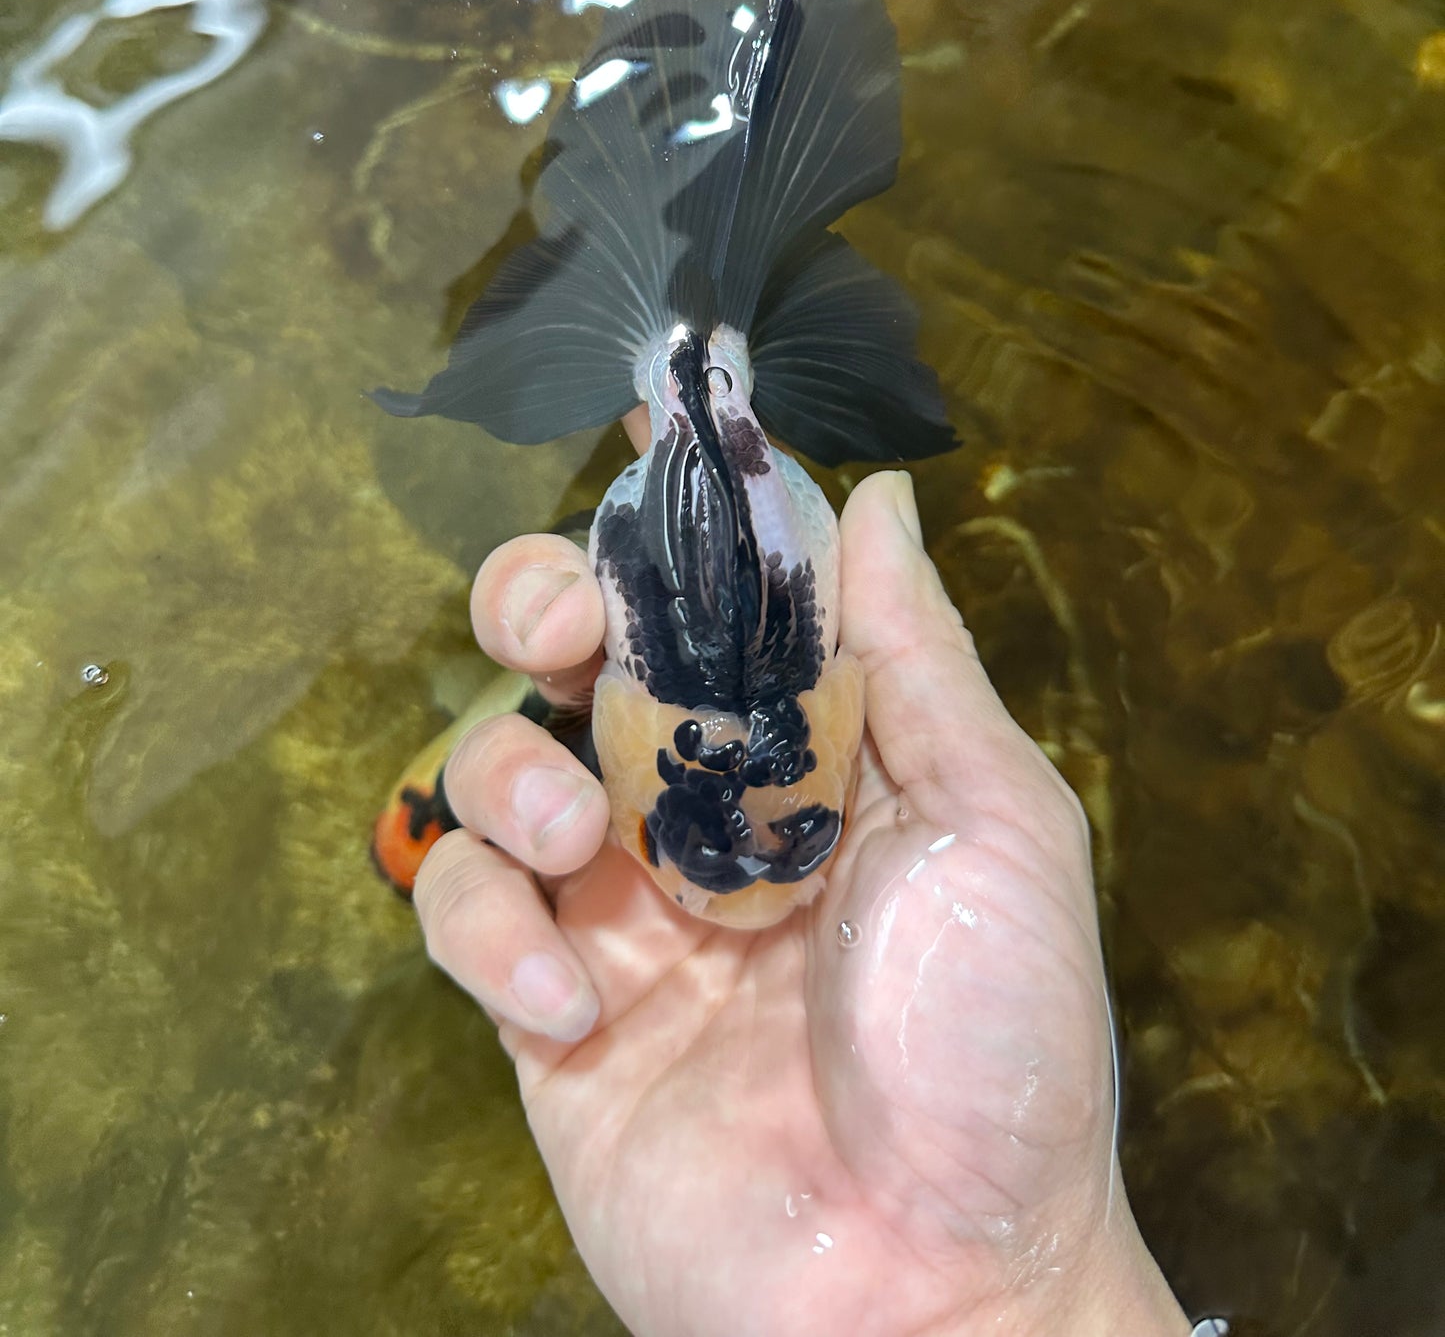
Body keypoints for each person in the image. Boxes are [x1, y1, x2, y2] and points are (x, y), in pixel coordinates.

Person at [413, 418, 1193, 1337]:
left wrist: (1016, 1290)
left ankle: (534, 720)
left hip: (682, 764)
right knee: (581, 671)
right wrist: (1024, 1294)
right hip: (693, 753)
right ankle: (544, 716)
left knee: (587, 676)